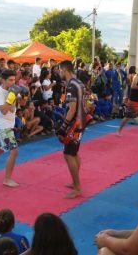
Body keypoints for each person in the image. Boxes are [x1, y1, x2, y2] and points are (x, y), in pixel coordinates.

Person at [56, 61, 87, 199]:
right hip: (81, 121)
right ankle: (75, 182)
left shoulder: (71, 85)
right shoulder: (79, 83)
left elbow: (72, 107)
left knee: (68, 154)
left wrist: (63, 126)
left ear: (65, 70)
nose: (59, 73)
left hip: (75, 124)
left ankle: (77, 187)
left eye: (60, 70)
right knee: (74, 153)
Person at [117, 66, 138, 136]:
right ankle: (119, 130)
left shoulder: (135, 76)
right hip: (134, 99)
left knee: (134, 115)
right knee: (127, 116)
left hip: (136, 98)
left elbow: (131, 88)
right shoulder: (136, 76)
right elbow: (132, 86)